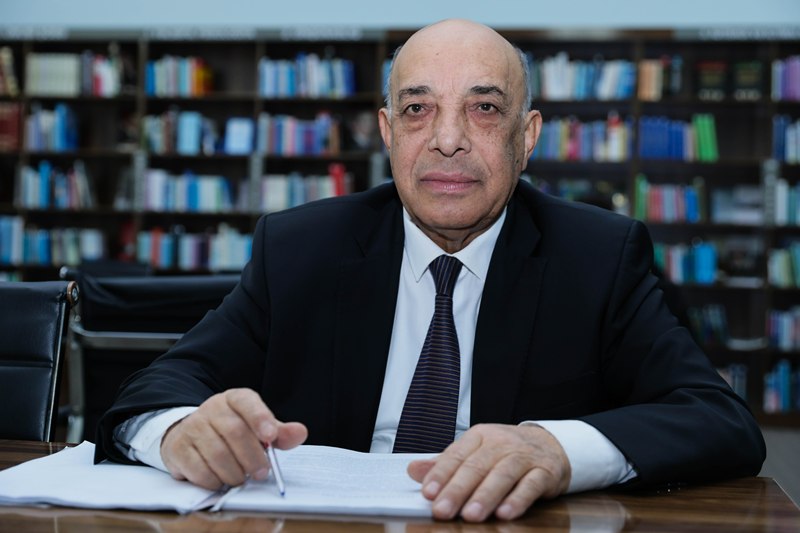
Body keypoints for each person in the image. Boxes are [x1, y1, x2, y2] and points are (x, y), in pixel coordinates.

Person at [95, 19, 765, 522]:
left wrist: (556, 450)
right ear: (388, 133)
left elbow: (718, 419)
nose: (447, 139)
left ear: (527, 137)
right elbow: (152, 390)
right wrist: (180, 432)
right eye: (418, 109)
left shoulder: (597, 256)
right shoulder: (301, 248)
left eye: (484, 108)